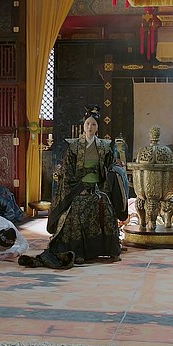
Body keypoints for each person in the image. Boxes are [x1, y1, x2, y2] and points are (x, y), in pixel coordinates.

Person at [46, 105, 123, 263]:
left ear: (98, 127)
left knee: (108, 211)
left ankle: (111, 250)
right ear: (83, 125)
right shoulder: (74, 146)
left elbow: (111, 166)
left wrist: (108, 173)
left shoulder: (105, 146)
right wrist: (78, 188)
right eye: (87, 124)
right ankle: (78, 251)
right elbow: (67, 170)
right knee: (76, 212)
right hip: (77, 189)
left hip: (98, 189)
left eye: (93, 124)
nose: (90, 127)